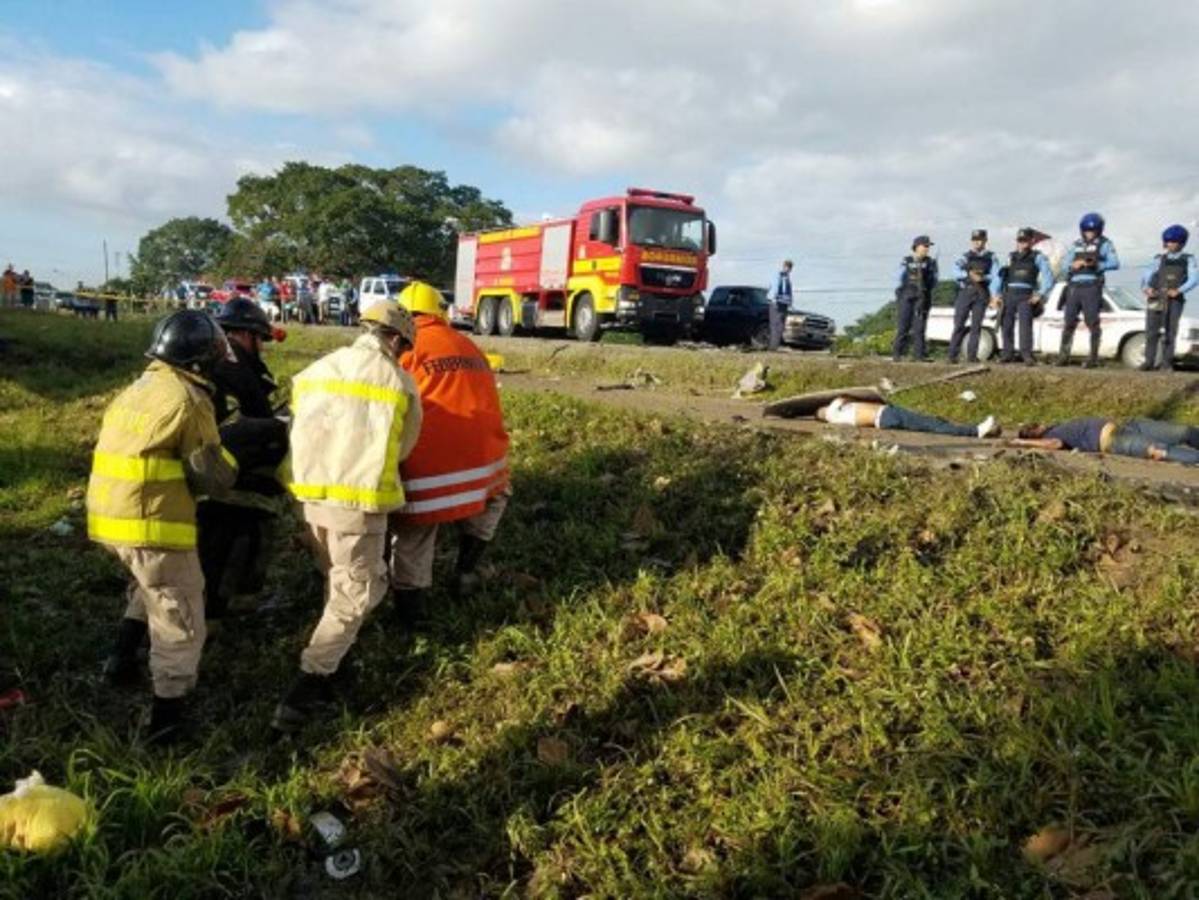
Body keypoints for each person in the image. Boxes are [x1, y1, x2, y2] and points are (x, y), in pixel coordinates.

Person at [272, 303, 423, 734]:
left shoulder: (318, 369)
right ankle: (305, 687)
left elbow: (294, 425)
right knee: (357, 593)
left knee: (335, 581)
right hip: (359, 507)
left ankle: (337, 660)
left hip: (309, 497)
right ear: (396, 339)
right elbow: (405, 447)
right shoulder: (398, 381)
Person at [88, 310, 239, 742]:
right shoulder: (190, 400)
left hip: (107, 517)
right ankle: (166, 721)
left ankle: (119, 658)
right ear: (198, 361)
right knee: (180, 614)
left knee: (150, 583)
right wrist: (237, 451)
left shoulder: (139, 387)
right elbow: (210, 477)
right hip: (150, 522)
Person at [387, 282, 511, 621]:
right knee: (494, 500)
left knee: (415, 532)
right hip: (487, 467)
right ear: (440, 312)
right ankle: (466, 570)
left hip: (425, 472)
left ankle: (412, 618)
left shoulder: (401, 346)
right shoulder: (469, 345)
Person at [198, 298, 289, 623]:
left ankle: (228, 608)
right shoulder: (230, 369)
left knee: (231, 543)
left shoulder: (223, 362)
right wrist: (280, 426)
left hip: (228, 474)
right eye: (260, 339)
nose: (262, 347)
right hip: (233, 479)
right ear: (246, 334)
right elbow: (234, 427)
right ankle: (219, 615)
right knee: (230, 545)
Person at [1056, 212, 1119, 368]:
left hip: (1092, 286)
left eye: (1093, 231)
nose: (1090, 233)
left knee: (1092, 321)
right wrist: (1073, 264)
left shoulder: (1105, 244)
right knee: (1069, 321)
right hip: (1074, 287)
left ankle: (1093, 357)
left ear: (1099, 230)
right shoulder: (1076, 244)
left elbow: (1115, 262)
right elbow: (1064, 265)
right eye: (1087, 231)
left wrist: (1095, 265)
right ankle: (1063, 356)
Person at [1013, 418, 1199, 465]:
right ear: (1034, 436)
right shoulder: (1050, 438)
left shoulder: (1058, 426)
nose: (1038, 425)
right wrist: (1022, 444)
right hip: (1115, 440)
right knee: (1159, 450)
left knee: (1183, 431)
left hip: (1128, 425)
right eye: (1032, 429)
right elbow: (1054, 445)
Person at [1140, 224, 1198, 371]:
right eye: (1168, 242)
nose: (1169, 244)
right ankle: (1148, 361)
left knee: (1170, 331)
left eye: (1173, 242)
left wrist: (1179, 290)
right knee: (1151, 331)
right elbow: (1147, 275)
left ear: (1181, 243)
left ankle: (1166, 363)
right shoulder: (1159, 258)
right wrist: (1146, 288)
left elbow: (1194, 279)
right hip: (1156, 297)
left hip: (1174, 299)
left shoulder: (1189, 259)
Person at [815, 395, 1000, 439]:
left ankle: (974, 429)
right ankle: (976, 431)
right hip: (886, 415)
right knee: (931, 425)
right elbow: (841, 397)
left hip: (886, 416)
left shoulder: (839, 414)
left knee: (931, 422)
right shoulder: (832, 413)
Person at [997, 228, 1055, 365]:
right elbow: (1000, 277)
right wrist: (996, 294)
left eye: (1025, 241)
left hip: (1026, 295)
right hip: (1009, 294)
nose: (1022, 243)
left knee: (1025, 326)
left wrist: (1040, 294)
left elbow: (1048, 277)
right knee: (1006, 325)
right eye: (1020, 241)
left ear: (1032, 241)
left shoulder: (1038, 257)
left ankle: (1027, 355)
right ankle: (1007, 354)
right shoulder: (1010, 257)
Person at [948, 229, 1001, 364]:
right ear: (972, 241)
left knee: (976, 326)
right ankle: (952, 355)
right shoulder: (965, 256)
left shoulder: (991, 257)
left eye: (981, 240)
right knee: (959, 324)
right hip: (966, 292)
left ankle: (972, 356)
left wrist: (984, 278)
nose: (978, 242)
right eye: (975, 240)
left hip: (981, 293)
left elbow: (996, 276)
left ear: (985, 241)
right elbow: (954, 272)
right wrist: (968, 275)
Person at [892, 236, 938, 361]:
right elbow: (898, 277)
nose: (927, 249)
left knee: (920, 327)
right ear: (917, 246)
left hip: (922, 296)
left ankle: (919, 355)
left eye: (928, 247)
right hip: (906, 295)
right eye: (925, 246)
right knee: (903, 326)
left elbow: (934, 281)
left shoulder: (930, 262)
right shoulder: (906, 261)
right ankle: (897, 354)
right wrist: (899, 294)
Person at [768, 260, 794, 351]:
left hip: (782, 303)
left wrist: (790, 302)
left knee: (779, 325)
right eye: (788, 267)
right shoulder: (780, 275)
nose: (789, 270)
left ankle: (775, 346)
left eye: (790, 268)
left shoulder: (786, 277)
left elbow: (788, 292)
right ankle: (774, 346)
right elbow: (776, 287)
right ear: (784, 266)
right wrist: (774, 298)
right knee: (777, 325)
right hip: (778, 303)